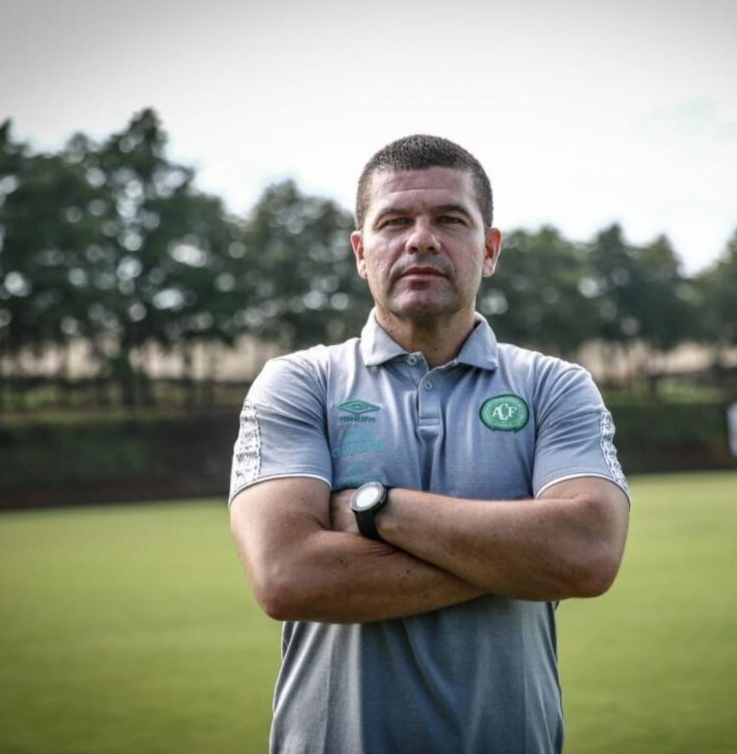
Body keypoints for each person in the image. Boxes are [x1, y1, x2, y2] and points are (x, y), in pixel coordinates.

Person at [229, 135, 630, 753]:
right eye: (394, 222)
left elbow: (588, 554)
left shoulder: (555, 386)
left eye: (449, 219)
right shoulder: (299, 383)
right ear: (361, 253)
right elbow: (287, 578)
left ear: (489, 248)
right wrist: (519, 555)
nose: (421, 238)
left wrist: (374, 509)